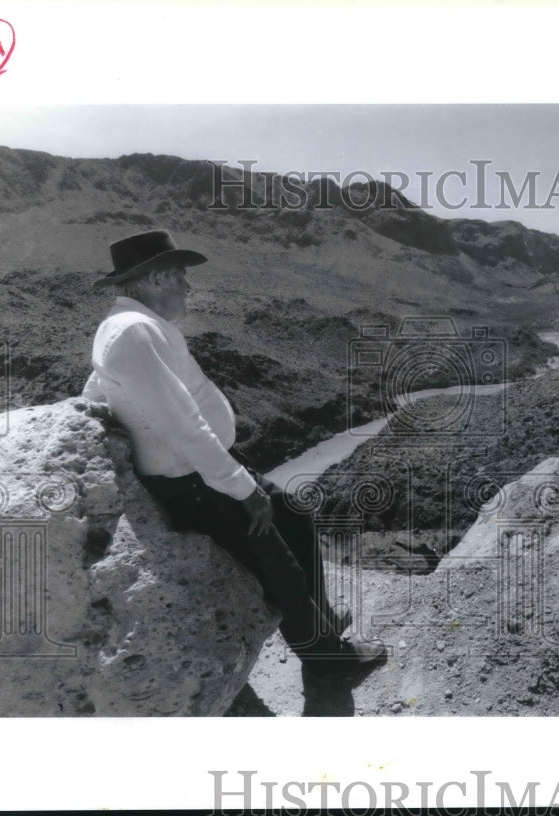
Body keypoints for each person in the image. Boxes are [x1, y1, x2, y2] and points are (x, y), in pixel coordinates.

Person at [81, 229, 386, 688]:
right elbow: (182, 426)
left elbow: (95, 390)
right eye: (181, 275)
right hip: (195, 482)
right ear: (159, 278)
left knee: (295, 512)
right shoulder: (134, 333)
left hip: (206, 469)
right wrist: (244, 489)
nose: (189, 286)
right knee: (276, 563)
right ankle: (325, 660)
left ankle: (319, 622)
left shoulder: (134, 327)